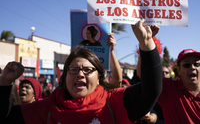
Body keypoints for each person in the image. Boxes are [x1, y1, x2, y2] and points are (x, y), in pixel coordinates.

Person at [0, 19, 163, 124]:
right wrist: (5, 83)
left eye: (87, 69)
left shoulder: (113, 103)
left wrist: (147, 43)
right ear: (64, 77)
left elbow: (150, 92)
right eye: (73, 69)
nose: (80, 74)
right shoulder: (47, 108)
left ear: (99, 77)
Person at [157, 49, 200, 124]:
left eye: (197, 64)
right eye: (187, 65)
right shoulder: (168, 88)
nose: (193, 67)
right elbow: (145, 74)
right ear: (179, 70)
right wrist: (145, 44)